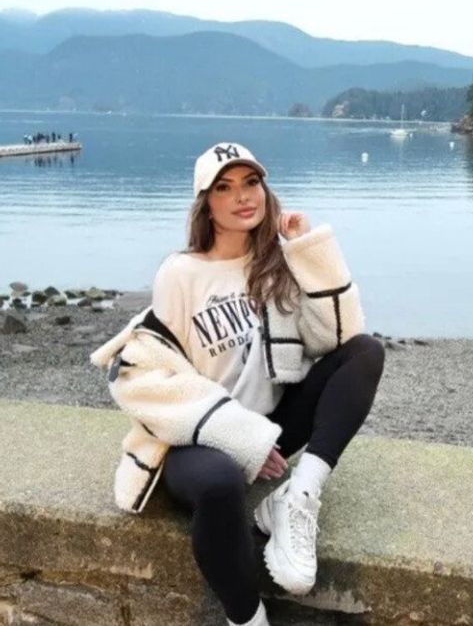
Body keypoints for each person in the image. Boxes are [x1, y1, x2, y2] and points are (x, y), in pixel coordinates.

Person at [89, 142, 384, 626]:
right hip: (196, 437)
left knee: (366, 351)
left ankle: (297, 498)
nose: (242, 196)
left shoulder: (275, 265)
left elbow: (335, 336)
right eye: (224, 188)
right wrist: (239, 436)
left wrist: (308, 253)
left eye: (251, 183)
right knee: (221, 484)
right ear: (205, 204)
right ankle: (247, 618)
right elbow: (147, 376)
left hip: (270, 430)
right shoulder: (180, 273)